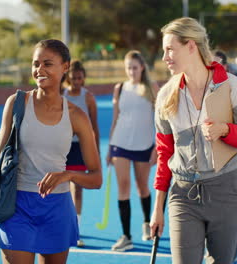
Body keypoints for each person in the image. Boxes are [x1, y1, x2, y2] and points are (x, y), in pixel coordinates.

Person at [0, 39, 102, 264]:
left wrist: (67, 175)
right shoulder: (16, 104)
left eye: (48, 64)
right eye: (35, 64)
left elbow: (96, 178)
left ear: (65, 67)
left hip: (58, 210)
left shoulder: (77, 116)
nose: (39, 70)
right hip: (17, 209)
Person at [150, 17, 237, 264]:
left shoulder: (231, 86)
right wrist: (158, 207)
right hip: (182, 195)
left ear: (191, 46)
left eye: (170, 49)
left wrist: (225, 129)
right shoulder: (166, 96)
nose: (165, 57)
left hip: (226, 192)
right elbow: (164, 155)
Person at [107, 50, 159, 252]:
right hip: (120, 143)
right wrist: (110, 148)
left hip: (144, 145)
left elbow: (160, 119)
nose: (131, 71)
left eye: (135, 67)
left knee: (142, 186)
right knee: (123, 186)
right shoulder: (119, 88)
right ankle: (126, 236)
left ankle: (147, 223)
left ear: (142, 67)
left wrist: (157, 146)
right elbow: (115, 118)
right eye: (128, 67)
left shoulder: (152, 88)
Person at [62, 60, 100, 248]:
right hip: (63, 147)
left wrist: (97, 151)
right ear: (68, 78)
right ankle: (62, 226)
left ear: (84, 77)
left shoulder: (88, 98)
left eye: (79, 77)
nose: (76, 81)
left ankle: (75, 228)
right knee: (61, 188)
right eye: (73, 78)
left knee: (77, 189)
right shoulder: (62, 95)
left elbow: (94, 126)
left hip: (81, 148)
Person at [214, 50, 237, 167]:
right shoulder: (201, 88)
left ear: (225, 66)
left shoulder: (234, 88)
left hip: (231, 147)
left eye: (217, 64)